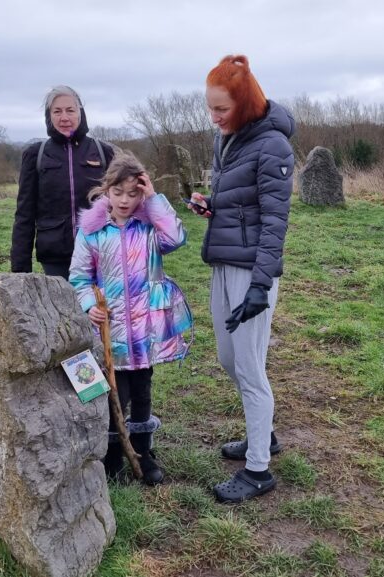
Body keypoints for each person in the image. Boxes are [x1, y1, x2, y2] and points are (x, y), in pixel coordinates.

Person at [186, 55, 295, 503]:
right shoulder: (226, 138)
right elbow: (241, 203)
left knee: (250, 369)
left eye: (222, 109)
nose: (214, 118)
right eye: (210, 108)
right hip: (224, 262)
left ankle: (258, 471)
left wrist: (259, 285)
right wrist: (212, 206)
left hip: (253, 270)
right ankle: (262, 434)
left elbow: (274, 222)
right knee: (230, 360)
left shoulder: (273, 146)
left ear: (245, 103)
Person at [69, 151, 193, 485]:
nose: (125, 200)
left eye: (133, 193)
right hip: (111, 331)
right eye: (118, 192)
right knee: (113, 395)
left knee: (142, 393)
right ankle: (112, 455)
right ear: (106, 190)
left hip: (145, 330)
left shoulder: (150, 227)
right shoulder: (93, 232)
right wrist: (86, 305)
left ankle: (143, 452)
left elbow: (177, 238)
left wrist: (153, 199)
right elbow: (79, 277)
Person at [11, 85, 116, 279]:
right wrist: (20, 271)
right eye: (57, 111)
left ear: (80, 113)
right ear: (49, 115)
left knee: (98, 309)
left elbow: (122, 204)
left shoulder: (103, 152)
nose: (64, 117)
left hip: (99, 251)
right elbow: (24, 214)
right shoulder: (36, 154)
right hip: (54, 256)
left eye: (70, 110)